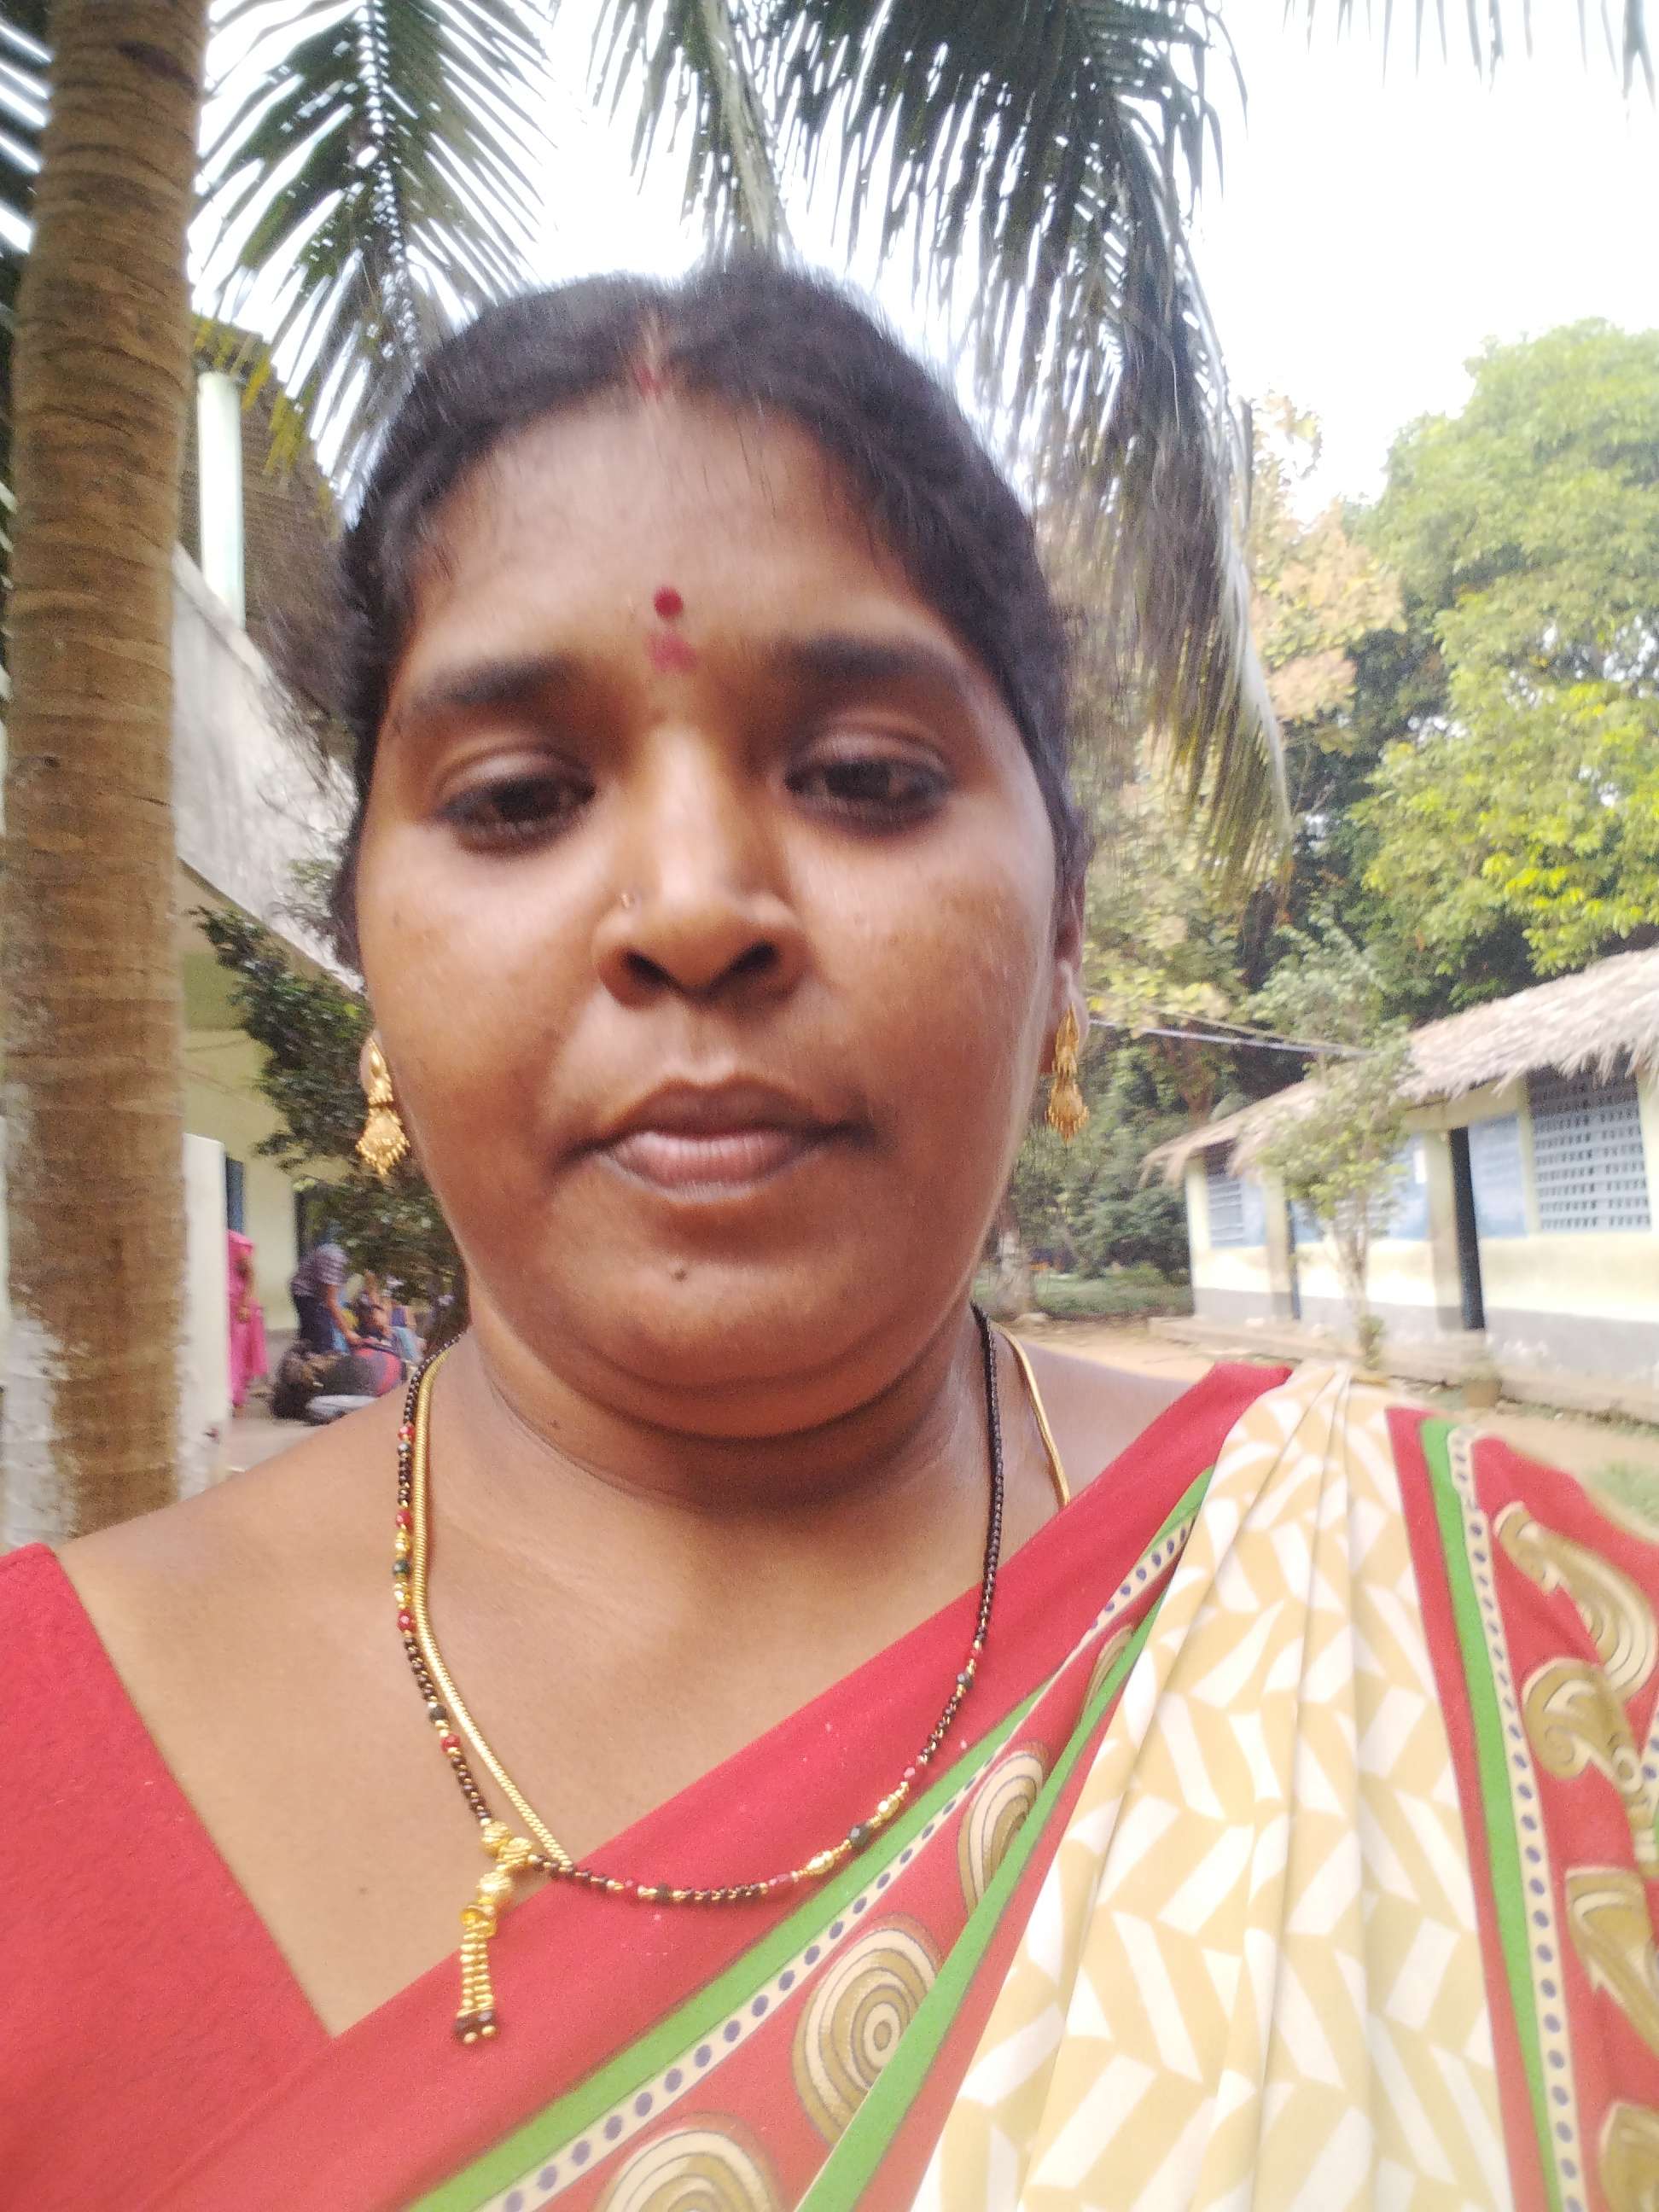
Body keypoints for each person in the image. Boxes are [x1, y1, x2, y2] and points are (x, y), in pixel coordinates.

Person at [3, 265, 1655, 2212]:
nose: (694, 908)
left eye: (864, 777)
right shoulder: (36, 1774)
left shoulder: (1494, 1641)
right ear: (363, 937)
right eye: (518, 797)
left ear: (1061, 935)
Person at [288, 1227, 358, 1356]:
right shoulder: (334, 1257)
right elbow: (330, 1300)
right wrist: (347, 1332)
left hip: (320, 1294)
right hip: (306, 1293)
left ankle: (303, 1357)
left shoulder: (351, 1260)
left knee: (315, 1336)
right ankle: (311, 1359)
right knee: (322, 1341)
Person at [226, 1227, 270, 1413]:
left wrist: (244, 1304)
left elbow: (251, 1273)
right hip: (222, 1304)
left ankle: (237, 1401)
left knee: (237, 1353)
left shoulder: (233, 1241)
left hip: (238, 1305)